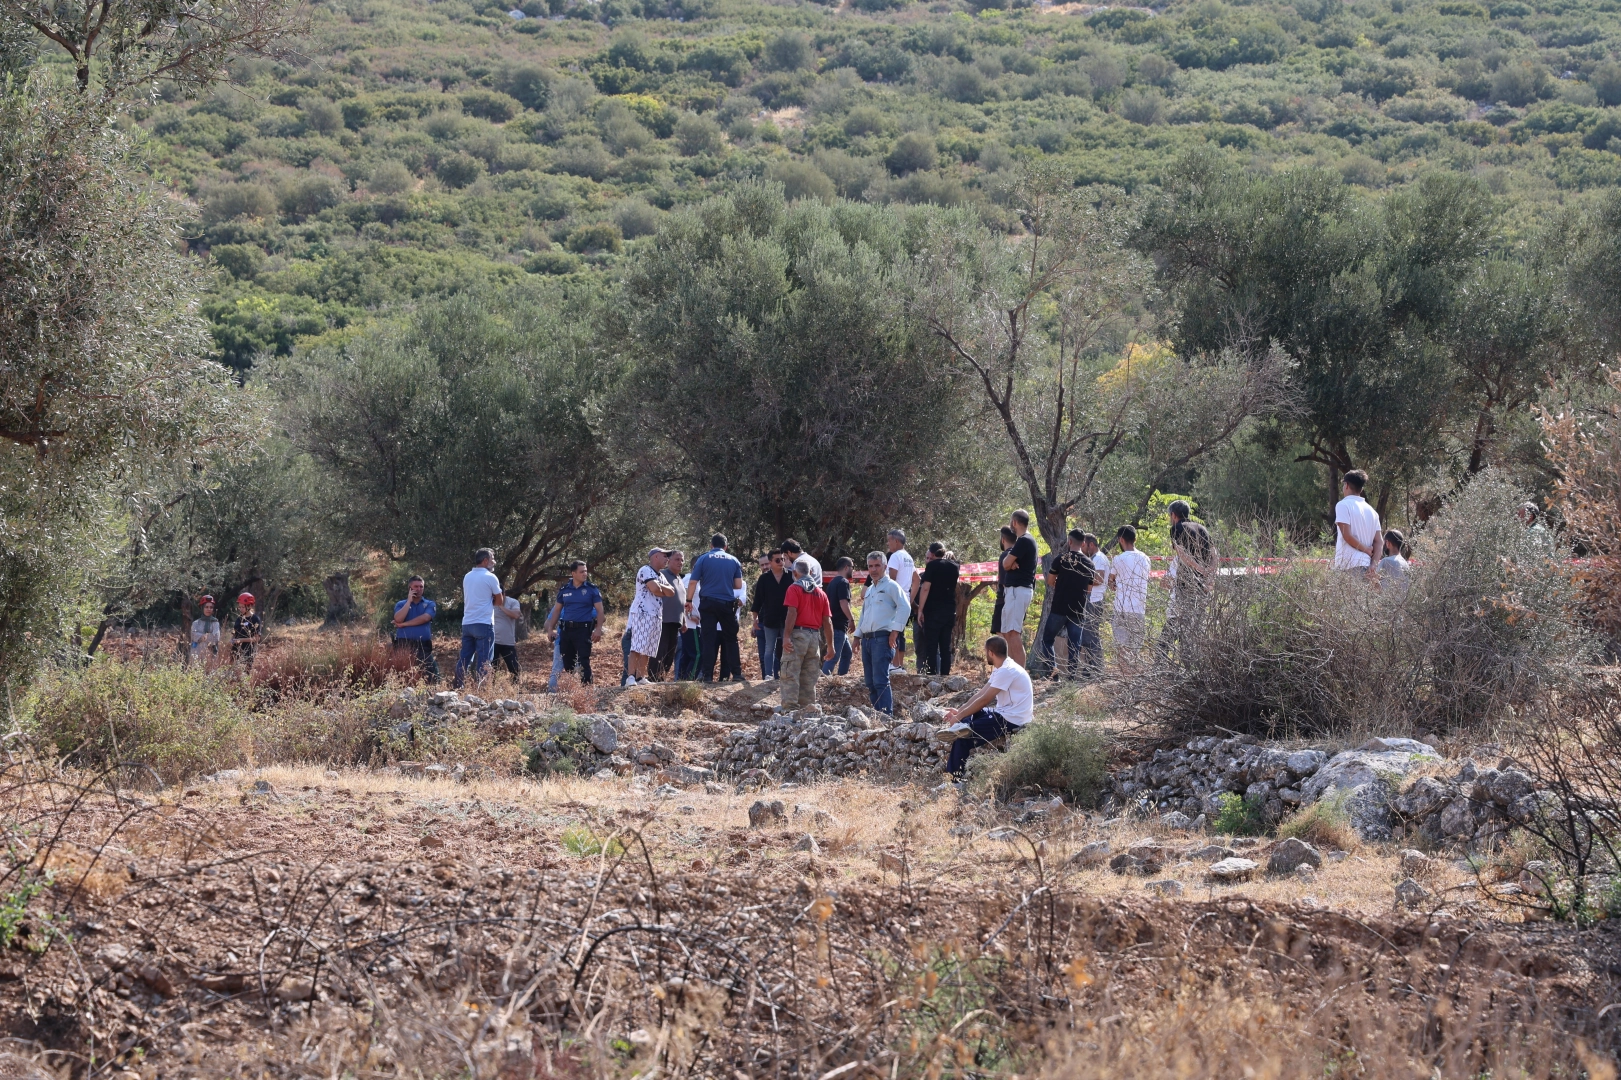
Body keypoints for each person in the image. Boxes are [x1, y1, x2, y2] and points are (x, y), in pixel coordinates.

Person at [934, 635, 1034, 780]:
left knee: (964, 737)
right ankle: (962, 725)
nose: (985, 654)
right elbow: (981, 694)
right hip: (1004, 712)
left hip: (1012, 718)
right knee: (971, 715)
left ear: (991, 653)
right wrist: (960, 712)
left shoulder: (1007, 670)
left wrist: (959, 717)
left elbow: (986, 699)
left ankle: (954, 780)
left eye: (985, 651)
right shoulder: (1002, 667)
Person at [855, 551, 910, 713]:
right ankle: (878, 716)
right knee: (870, 683)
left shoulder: (892, 586)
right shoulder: (871, 589)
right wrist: (857, 637)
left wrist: (895, 631)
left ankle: (887, 717)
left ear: (885, 567)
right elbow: (864, 614)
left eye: (877, 565)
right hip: (867, 641)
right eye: (870, 566)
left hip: (882, 640)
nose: (873, 569)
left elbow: (905, 607)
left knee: (880, 681)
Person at [1160, 500, 1215, 660]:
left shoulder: (1176, 528)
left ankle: (1162, 661)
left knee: (1175, 624)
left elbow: (1182, 554)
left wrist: (1200, 569)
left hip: (1185, 585)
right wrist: (1209, 574)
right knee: (1194, 627)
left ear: (1173, 515)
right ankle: (1192, 663)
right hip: (1202, 587)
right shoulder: (1202, 528)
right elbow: (1215, 554)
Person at [687, 534, 745, 683]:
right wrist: (724, 583)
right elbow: (738, 585)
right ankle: (737, 674)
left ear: (711, 546)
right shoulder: (734, 560)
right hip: (726, 604)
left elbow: (693, 582)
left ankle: (707, 676)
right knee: (731, 639)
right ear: (725, 547)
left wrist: (688, 600)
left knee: (708, 639)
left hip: (707, 604)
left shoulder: (703, 559)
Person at [778, 557, 834, 710]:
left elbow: (792, 612)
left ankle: (789, 709)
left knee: (790, 672)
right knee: (809, 677)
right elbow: (827, 622)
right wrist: (830, 646)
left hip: (798, 635)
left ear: (795, 573)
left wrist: (786, 636)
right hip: (814, 638)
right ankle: (808, 710)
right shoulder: (821, 593)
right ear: (810, 572)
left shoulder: (794, 588)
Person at [1040, 529, 1094, 679]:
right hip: (1077, 610)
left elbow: (1050, 581)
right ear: (1083, 543)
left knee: (1047, 640)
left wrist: (1062, 584)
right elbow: (1089, 589)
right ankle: (1070, 679)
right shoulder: (1090, 564)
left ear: (1069, 541)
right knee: (1074, 646)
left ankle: (1053, 673)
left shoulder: (1060, 559)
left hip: (1059, 608)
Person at [544, 560, 604, 685]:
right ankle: (572, 689)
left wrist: (598, 629)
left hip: (583, 631)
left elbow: (600, 611)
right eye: (581, 572)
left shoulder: (591, 590)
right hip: (566, 631)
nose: (585, 574)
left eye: (586, 571)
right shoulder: (564, 590)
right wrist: (550, 629)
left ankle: (586, 690)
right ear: (573, 573)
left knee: (583, 661)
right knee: (567, 663)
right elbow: (556, 611)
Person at [454, 549, 505, 689]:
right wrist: (491, 602)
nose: (494, 561)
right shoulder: (490, 577)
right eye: (492, 558)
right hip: (484, 623)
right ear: (485, 561)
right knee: (484, 660)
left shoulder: (467, 576)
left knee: (465, 658)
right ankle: (482, 690)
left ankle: (458, 687)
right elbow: (500, 601)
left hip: (467, 623)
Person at [626, 548, 674, 686]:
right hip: (642, 613)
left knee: (648, 647)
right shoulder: (645, 570)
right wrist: (661, 588)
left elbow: (671, 592)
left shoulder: (660, 575)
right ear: (656, 556)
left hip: (656, 615)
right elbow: (655, 589)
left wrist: (660, 587)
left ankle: (641, 677)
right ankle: (631, 676)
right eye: (665, 556)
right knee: (637, 645)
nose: (667, 559)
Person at [1108, 526, 1151, 672]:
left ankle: (1124, 676)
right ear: (1135, 539)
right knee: (1135, 646)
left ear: (1121, 539)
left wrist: (1113, 583)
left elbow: (1111, 579)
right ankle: (1132, 677)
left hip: (1121, 607)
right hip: (1138, 607)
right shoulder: (1146, 558)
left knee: (1122, 645)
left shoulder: (1118, 559)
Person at [1000, 511, 1039, 665]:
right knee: (1006, 632)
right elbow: (1008, 563)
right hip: (1014, 591)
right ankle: (1010, 671)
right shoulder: (1024, 541)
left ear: (1014, 522)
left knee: (1013, 633)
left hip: (1018, 590)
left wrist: (1010, 563)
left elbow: (1005, 564)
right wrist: (1011, 563)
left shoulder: (1024, 540)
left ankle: (1020, 675)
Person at [915, 542, 959, 676]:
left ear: (933, 554)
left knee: (931, 646)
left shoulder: (932, 566)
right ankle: (945, 675)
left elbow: (925, 588)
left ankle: (931, 675)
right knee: (945, 646)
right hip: (949, 609)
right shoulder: (955, 566)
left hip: (933, 611)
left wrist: (920, 609)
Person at [1333, 470, 1383, 581]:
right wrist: (1373, 565)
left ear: (1346, 485)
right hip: (1366, 566)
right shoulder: (1372, 512)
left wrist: (1366, 549)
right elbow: (1379, 542)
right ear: (1361, 489)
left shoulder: (1343, 505)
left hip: (1347, 566)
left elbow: (1347, 535)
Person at [751, 550, 792, 680]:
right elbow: (757, 600)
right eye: (777, 560)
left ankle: (787, 674)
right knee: (769, 648)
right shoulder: (764, 579)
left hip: (787, 619)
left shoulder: (791, 576)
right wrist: (754, 618)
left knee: (788, 647)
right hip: (770, 618)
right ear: (771, 562)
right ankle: (769, 675)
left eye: (782, 559)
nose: (781, 562)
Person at [392, 576, 440, 683]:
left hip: (423, 645)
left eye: (421, 587)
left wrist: (404, 624)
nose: (418, 589)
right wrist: (408, 601)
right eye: (415, 586)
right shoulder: (401, 604)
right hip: (404, 644)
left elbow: (425, 618)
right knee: (403, 674)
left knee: (431, 676)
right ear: (410, 588)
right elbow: (398, 618)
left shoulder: (429, 604)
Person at [885, 530, 918, 673]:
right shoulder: (909, 558)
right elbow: (917, 580)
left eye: (889, 540)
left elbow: (892, 579)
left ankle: (893, 664)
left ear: (896, 541)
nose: (888, 543)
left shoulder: (895, 556)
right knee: (899, 631)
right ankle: (898, 665)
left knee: (891, 631)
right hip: (903, 599)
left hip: (893, 600)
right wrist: (909, 599)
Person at [1077, 534, 1108, 677]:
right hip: (1090, 600)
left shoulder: (1100, 558)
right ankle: (1091, 667)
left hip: (1095, 601)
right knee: (1088, 636)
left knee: (1091, 636)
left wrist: (1080, 578)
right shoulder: (1093, 559)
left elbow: (1099, 579)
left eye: (1083, 546)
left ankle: (1095, 669)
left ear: (1091, 545)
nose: (1082, 549)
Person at [654, 549, 685, 680]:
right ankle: (653, 679)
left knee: (670, 654)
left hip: (675, 622)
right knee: (660, 652)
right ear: (669, 561)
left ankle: (661, 679)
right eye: (677, 559)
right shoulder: (662, 575)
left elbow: (681, 602)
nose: (680, 562)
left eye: (682, 560)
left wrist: (683, 621)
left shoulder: (679, 578)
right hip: (662, 621)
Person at [822, 557, 856, 676]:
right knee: (833, 657)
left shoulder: (832, 582)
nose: (853, 570)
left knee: (847, 653)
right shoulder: (843, 582)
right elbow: (843, 603)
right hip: (838, 625)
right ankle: (823, 679)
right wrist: (851, 619)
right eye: (852, 567)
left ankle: (841, 677)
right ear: (846, 567)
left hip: (835, 625)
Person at [492, 588, 523, 685]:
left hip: (507, 642)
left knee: (514, 668)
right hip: (493, 642)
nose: (495, 598)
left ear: (503, 594)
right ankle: (490, 690)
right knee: (492, 668)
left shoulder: (513, 602)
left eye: (498, 596)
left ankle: (516, 690)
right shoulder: (489, 602)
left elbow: (516, 615)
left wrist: (501, 606)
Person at [991, 526, 1014, 639]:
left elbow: (1005, 583)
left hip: (1004, 602)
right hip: (1015, 602)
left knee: (1002, 638)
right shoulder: (1019, 555)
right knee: (1014, 637)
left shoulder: (1005, 556)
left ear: (1003, 539)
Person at [231, 592, 262, 668]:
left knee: (245, 673)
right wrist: (232, 639)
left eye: (243, 607)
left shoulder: (255, 619)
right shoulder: (239, 618)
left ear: (249, 606)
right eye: (239, 607)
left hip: (248, 650)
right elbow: (234, 632)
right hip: (236, 650)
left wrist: (242, 640)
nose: (240, 609)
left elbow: (256, 638)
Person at [189, 596, 221, 668]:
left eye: (211, 607)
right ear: (202, 608)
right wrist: (204, 636)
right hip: (196, 653)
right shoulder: (196, 623)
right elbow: (193, 635)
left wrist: (201, 637)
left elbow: (216, 638)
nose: (209, 609)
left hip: (210, 654)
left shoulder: (215, 623)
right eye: (206, 607)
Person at [1378, 529, 1410, 594]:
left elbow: (1375, 581)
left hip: (1385, 602)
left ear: (1388, 543)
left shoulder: (1386, 561)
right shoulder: (1406, 564)